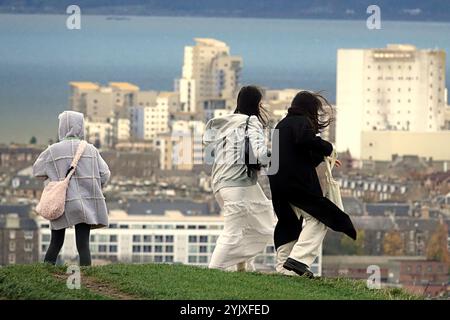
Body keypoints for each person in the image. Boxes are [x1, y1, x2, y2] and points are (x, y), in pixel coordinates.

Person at [268, 91, 357, 277]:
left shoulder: (281, 125)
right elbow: (305, 141)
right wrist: (328, 148)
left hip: (277, 184)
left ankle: (283, 268)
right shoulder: (302, 122)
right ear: (309, 109)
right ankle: (298, 260)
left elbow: (296, 150)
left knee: (288, 223)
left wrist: (322, 156)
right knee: (319, 218)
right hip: (296, 182)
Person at [203, 85, 275, 271]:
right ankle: (214, 271)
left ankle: (242, 267)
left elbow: (208, 149)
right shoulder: (251, 122)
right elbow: (260, 155)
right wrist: (279, 156)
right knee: (233, 232)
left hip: (221, 184)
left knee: (263, 219)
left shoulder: (223, 122)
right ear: (256, 104)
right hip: (237, 185)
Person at [33, 111, 110, 266]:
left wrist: (55, 175)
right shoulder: (91, 150)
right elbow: (105, 174)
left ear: (61, 127)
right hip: (85, 203)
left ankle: (45, 274)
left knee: (56, 243)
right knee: (83, 245)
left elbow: (37, 172)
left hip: (60, 202)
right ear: (81, 127)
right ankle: (87, 279)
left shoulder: (52, 150)